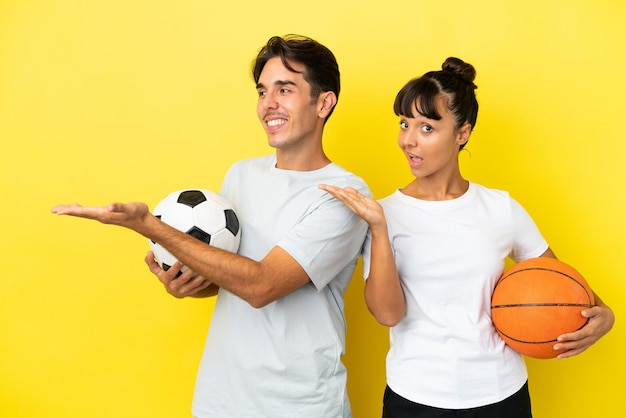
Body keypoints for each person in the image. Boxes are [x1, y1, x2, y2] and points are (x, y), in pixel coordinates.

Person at [52, 35, 370, 418]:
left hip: (298, 404)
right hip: (221, 399)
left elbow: (262, 285)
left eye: (284, 89)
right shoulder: (241, 174)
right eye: (262, 91)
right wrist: (188, 282)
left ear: (323, 102)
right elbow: (228, 277)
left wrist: (150, 225)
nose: (269, 103)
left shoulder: (345, 195)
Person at [319, 57, 614, 417]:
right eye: (404, 123)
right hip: (415, 396)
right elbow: (387, 314)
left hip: (501, 394)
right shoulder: (383, 213)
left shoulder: (500, 208)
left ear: (462, 133)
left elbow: (561, 284)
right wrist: (380, 230)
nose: (408, 140)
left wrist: (605, 316)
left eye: (427, 128)